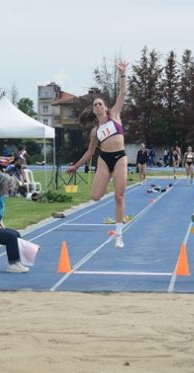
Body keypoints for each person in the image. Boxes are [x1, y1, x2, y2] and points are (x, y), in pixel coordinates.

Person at [67, 60, 129, 248]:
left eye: (100, 103)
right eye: (95, 104)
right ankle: (109, 177)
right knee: (95, 196)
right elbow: (90, 152)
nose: (98, 106)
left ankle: (119, 235)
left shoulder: (115, 115)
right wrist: (76, 167)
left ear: (105, 107)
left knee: (119, 196)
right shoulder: (95, 132)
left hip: (119, 158)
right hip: (104, 159)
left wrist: (122, 73)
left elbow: (123, 93)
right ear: (94, 110)